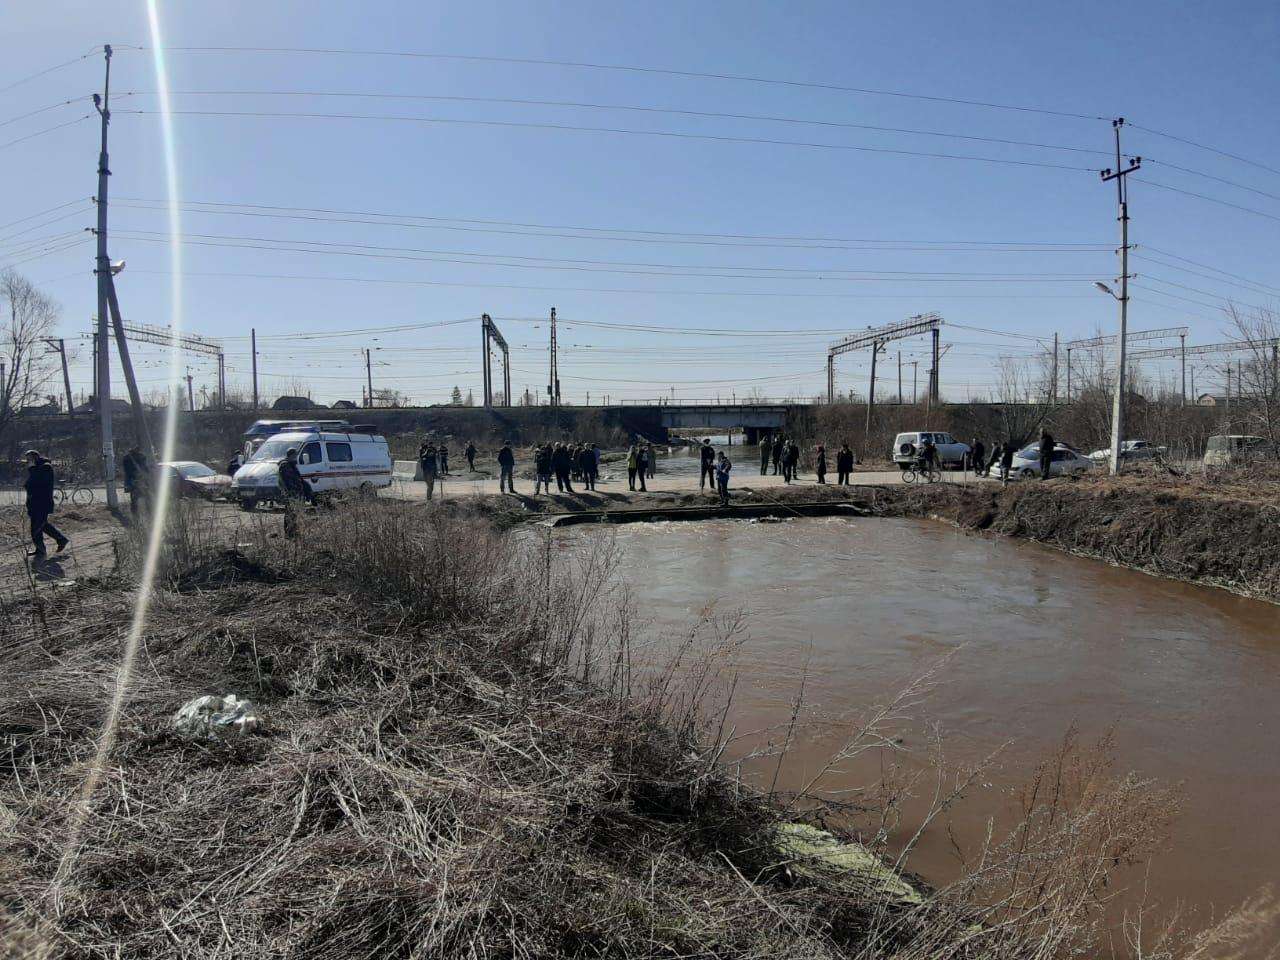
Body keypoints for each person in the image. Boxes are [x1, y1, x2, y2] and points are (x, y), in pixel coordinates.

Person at [24, 449, 68, 559]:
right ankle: (60, 540)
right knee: (42, 525)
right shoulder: (37, 468)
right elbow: (30, 484)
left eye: (29, 459)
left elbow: (37, 483)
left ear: (35, 458)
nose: (28, 461)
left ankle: (41, 550)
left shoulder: (45, 467)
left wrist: (32, 469)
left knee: (36, 528)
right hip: (34, 503)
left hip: (42, 503)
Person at [278, 447, 308, 538]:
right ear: (291, 455)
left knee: (294, 514)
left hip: (295, 494)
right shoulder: (285, 465)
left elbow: (298, 479)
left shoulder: (291, 465)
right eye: (295, 455)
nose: (296, 457)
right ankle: (289, 533)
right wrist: (294, 493)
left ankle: (293, 532)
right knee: (290, 514)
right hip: (291, 495)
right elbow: (288, 482)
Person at [121, 445, 151, 520]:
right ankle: (148, 514)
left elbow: (127, 471)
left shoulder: (127, 458)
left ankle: (136, 516)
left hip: (133, 481)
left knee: (135, 499)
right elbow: (145, 468)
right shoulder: (141, 457)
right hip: (140, 480)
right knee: (146, 498)